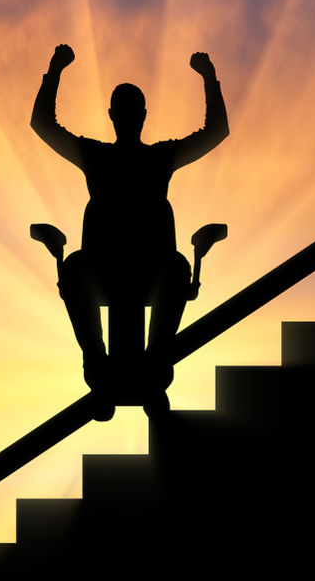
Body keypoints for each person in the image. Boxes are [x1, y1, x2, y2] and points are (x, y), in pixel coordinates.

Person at [31, 44, 228, 392]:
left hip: (144, 271)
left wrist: (56, 69)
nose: (127, 116)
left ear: (115, 115)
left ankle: (151, 360)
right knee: (77, 268)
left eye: (128, 111)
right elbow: (42, 125)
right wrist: (208, 78)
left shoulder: (108, 156)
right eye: (127, 111)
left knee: (174, 267)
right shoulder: (148, 157)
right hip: (112, 271)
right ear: (140, 115)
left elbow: (44, 125)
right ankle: (99, 360)